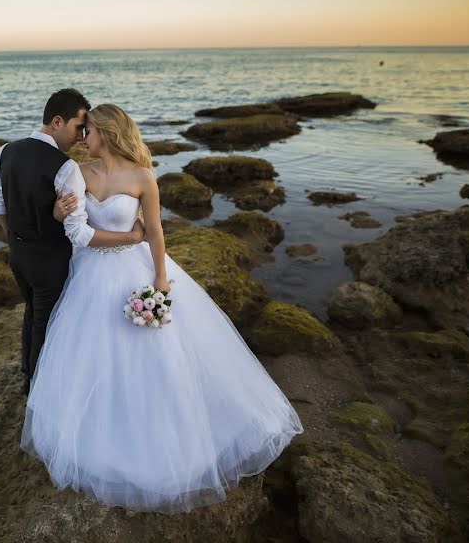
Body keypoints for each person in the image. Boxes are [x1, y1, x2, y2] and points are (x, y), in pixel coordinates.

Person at [20, 103, 304, 513]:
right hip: (90, 273)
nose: (84, 138)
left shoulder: (142, 176)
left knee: (157, 353)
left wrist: (160, 279)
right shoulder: (77, 173)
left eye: (90, 131)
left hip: (136, 270)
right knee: (94, 352)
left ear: (108, 132)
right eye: (83, 132)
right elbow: (73, 227)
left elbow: (154, 231)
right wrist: (56, 210)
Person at [0, 89, 145, 396]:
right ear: (58, 122)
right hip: (49, 259)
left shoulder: (6, 150)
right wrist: (132, 236)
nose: (80, 137)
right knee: (46, 323)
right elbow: (79, 234)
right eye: (78, 127)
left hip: (18, 255)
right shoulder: (66, 168)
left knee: (32, 311)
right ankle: (38, 388)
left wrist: (14, 240)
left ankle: (27, 373)